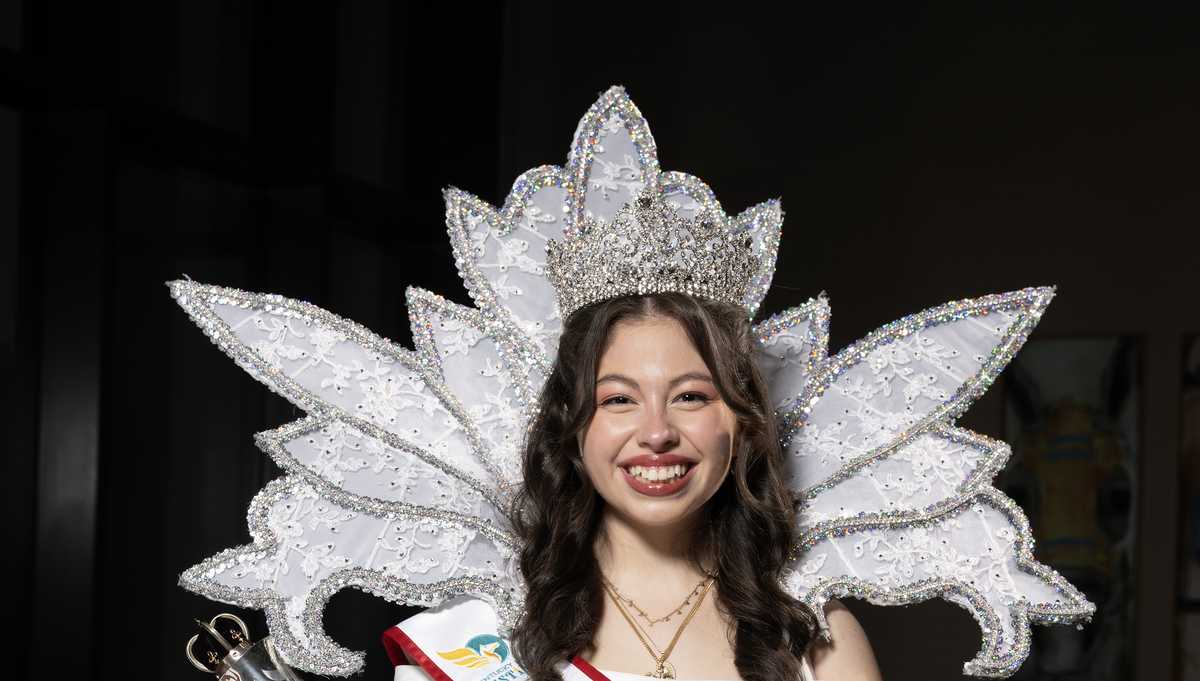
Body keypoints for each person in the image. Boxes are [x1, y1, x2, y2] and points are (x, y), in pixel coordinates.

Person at [174, 86, 1094, 681]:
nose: (655, 430)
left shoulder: (815, 643)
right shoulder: (487, 633)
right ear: (572, 427)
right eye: (618, 398)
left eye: (691, 395)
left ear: (744, 422)